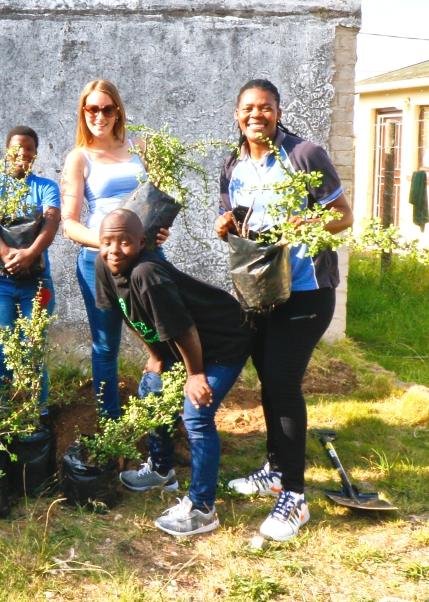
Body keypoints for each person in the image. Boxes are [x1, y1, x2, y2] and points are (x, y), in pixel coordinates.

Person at [215, 79, 353, 541]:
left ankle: (294, 496)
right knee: (268, 379)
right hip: (259, 291)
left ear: (278, 112)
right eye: (249, 108)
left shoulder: (304, 155)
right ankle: (275, 470)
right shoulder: (233, 163)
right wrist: (225, 224)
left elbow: (344, 216)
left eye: (266, 108)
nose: (257, 115)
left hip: (307, 291)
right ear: (238, 115)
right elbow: (236, 216)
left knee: (282, 380)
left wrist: (310, 221)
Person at [96, 210, 253, 537]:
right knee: (150, 393)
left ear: (141, 243)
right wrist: (155, 356)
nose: (114, 249)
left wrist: (194, 375)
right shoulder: (104, 266)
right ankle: (162, 470)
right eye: (107, 241)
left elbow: (183, 328)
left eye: (124, 242)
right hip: (186, 344)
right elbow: (129, 314)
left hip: (222, 340)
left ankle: (203, 508)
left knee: (196, 413)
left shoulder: (146, 273)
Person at [60, 80, 169, 419]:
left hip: (146, 258)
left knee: (164, 336)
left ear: (118, 111)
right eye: (92, 109)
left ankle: (156, 417)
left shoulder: (141, 147)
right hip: (99, 262)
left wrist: (159, 230)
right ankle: (111, 425)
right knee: (106, 345)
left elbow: (157, 201)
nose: (100, 115)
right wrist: (114, 246)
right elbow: (70, 224)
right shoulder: (78, 158)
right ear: (83, 113)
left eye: (107, 108)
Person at [0, 126, 60, 407]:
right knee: (3, 355)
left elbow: (51, 223)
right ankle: (1, 418)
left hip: (37, 283)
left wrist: (30, 254)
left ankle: (40, 419)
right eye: (16, 148)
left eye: (29, 148)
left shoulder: (46, 187)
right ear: (6, 151)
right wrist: (6, 252)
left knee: (33, 353)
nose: (22, 153)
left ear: (35, 154)